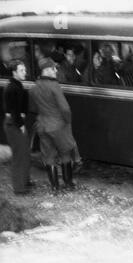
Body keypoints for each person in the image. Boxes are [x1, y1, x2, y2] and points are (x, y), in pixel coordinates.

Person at [28, 57, 76, 193]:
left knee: (49, 156)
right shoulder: (54, 86)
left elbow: (33, 108)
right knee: (65, 152)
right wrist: (67, 121)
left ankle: (55, 187)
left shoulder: (33, 88)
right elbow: (65, 109)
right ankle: (68, 183)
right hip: (58, 125)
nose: (56, 71)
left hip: (42, 126)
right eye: (53, 68)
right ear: (47, 70)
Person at [2, 60, 34, 195]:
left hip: (17, 123)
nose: (25, 73)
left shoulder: (17, 85)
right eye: (22, 70)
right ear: (14, 72)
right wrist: (21, 125)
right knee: (19, 156)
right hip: (14, 124)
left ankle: (25, 181)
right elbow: (13, 110)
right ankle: (19, 188)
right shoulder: (12, 88)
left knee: (25, 153)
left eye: (24, 70)